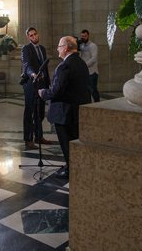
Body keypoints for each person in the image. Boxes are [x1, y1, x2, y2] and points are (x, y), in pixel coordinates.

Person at [38, 36, 90, 179]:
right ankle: (77, 166)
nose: (57, 49)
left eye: (59, 46)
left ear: (66, 48)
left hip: (65, 113)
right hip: (78, 111)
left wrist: (43, 93)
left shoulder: (65, 66)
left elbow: (57, 91)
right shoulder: (81, 63)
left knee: (67, 145)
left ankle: (70, 170)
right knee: (75, 142)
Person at [20, 27, 52, 150]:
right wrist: (33, 74)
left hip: (42, 84)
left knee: (40, 112)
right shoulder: (26, 49)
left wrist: (48, 83)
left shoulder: (42, 49)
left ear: (38, 34)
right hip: (30, 84)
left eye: (35, 34)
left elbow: (45, 68)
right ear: (28, 37)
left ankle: (39, 137)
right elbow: (26, 65)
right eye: (31, 35)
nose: (34, 37)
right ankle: (28, 140)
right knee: (30, 112)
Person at [79, 29, 100, 102]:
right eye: (82, 36)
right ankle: (89, 104)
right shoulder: (81, 46)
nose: (83, 38)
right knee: (86, 90)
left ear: (88, 36)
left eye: (85, 36)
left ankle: (98, 104)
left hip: (92, 72)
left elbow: (94, 58)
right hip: (85, 72)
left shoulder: (93, 46)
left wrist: (84, 65)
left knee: (93, 90)